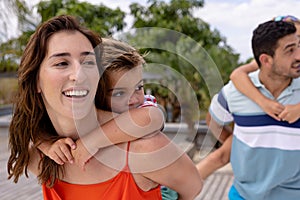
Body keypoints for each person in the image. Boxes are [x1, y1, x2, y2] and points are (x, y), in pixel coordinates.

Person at [7, 15, 202, 200]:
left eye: (88, 62)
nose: (79, 74)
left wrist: (92, 142)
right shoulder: (38, 157)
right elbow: (30, 129)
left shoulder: (144, 150)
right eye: (61, 63)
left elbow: (192, 187)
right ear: (35, 82)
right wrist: (46, 144)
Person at [196, 15, 300, 180]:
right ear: (266, 60)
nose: (298, 55)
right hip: (245, 193)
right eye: (290, 49)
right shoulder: (235, 91)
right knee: (220, 156)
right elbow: (237, 74)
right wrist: (238, 142)